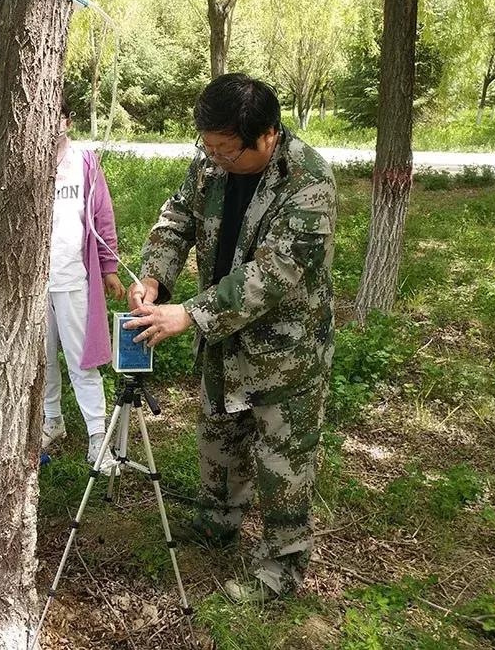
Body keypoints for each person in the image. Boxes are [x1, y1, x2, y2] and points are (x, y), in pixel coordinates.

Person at [126, 73, 336, 603]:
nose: (214, 159)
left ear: (266, 136)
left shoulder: (309, 181)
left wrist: (188, 315)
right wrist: (155, 275)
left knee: (282, 459)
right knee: (218, 438)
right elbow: (176, 219)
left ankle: (282, 569)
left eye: (225, 150)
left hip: (285, 354)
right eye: (208, 147)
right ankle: (218, 521)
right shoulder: (211, 163)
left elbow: (271, 276)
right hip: (224, 344)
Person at [40, 97, 125, 472]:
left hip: (73, 277)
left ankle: (97, 439)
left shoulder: (85, 163)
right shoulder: (27, 161)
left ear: (67, 121)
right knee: (41, 361)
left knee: (81, 361)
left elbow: (102, 217)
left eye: (55, 115)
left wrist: (108, 268)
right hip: (33, 285)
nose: (49, 123)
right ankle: (52, 421)